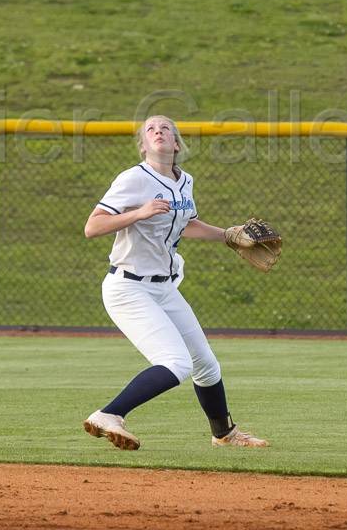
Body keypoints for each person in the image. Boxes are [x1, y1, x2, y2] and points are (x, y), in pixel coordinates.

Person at [81, 115, 268, 451]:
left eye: (165, 128)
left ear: (176, 143)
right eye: (151, 129)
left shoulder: (185, 182)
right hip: (128, 287)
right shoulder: (133, 179)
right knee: (176, 363)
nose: (158, 131)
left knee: (206, 365)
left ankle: (225, 435)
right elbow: (93, 227)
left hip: (164, 288)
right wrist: (138, 213)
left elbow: (186, 224)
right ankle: (108, 414)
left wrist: (228, 235)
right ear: (143, 146)